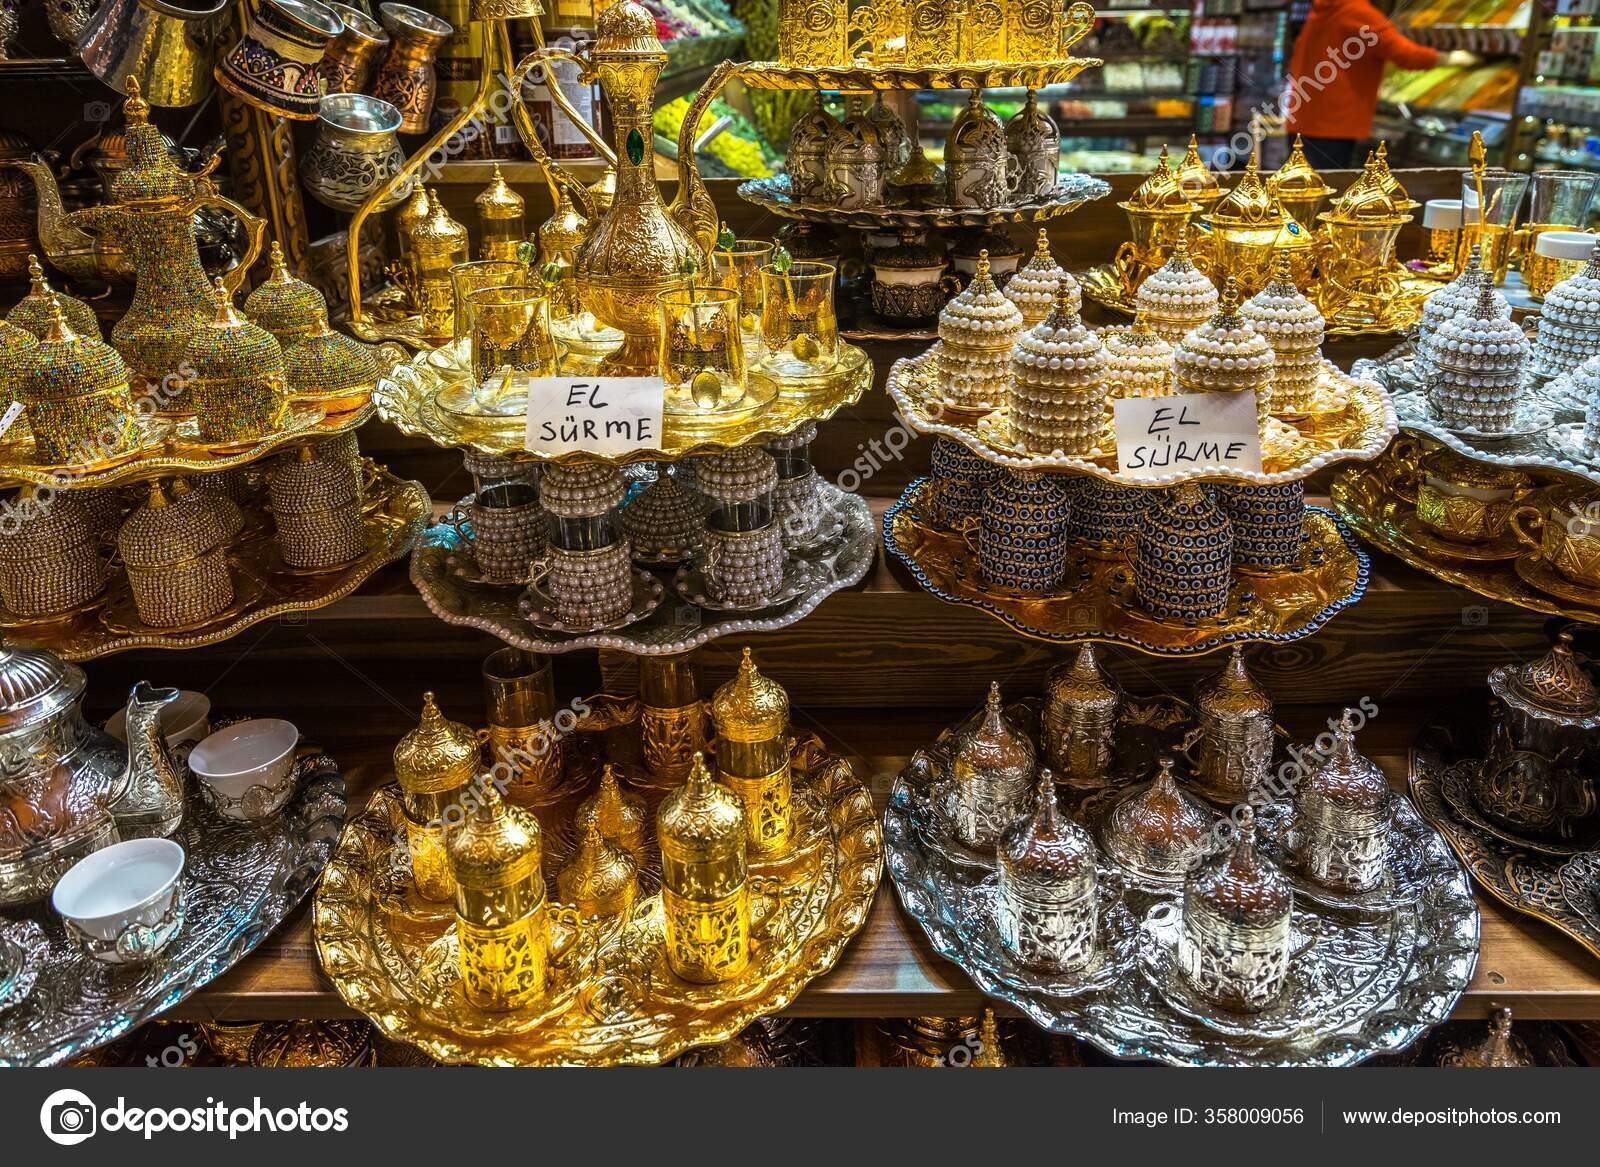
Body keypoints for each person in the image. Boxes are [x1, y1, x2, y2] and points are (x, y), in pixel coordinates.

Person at [1285, 0, 1480, 169]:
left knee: (1303, 194)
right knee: (1323, 198)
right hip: (1333, 125)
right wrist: (1451, 58)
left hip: (1305, 118)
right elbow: (1406, 55)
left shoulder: (1323, 9)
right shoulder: (1357, 12)